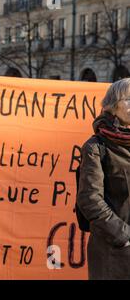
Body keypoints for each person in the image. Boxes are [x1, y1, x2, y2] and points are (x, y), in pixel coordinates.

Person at [77, 78, 130, 280]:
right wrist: (124, 237)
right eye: (129, 99)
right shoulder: (96, 147)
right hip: (114, 253)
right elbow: (90, 200)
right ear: (112, 105)